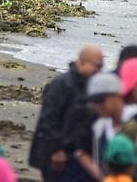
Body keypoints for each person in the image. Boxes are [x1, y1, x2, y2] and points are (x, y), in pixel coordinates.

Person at [29, 45, 104, 182]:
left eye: (101, 66)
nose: (100, 71)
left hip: (77, 155)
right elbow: (48, 119)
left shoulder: (92, 87)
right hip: (54, 154)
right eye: (97, 66)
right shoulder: (61, 84)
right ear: (82, 62)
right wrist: (56, 150)